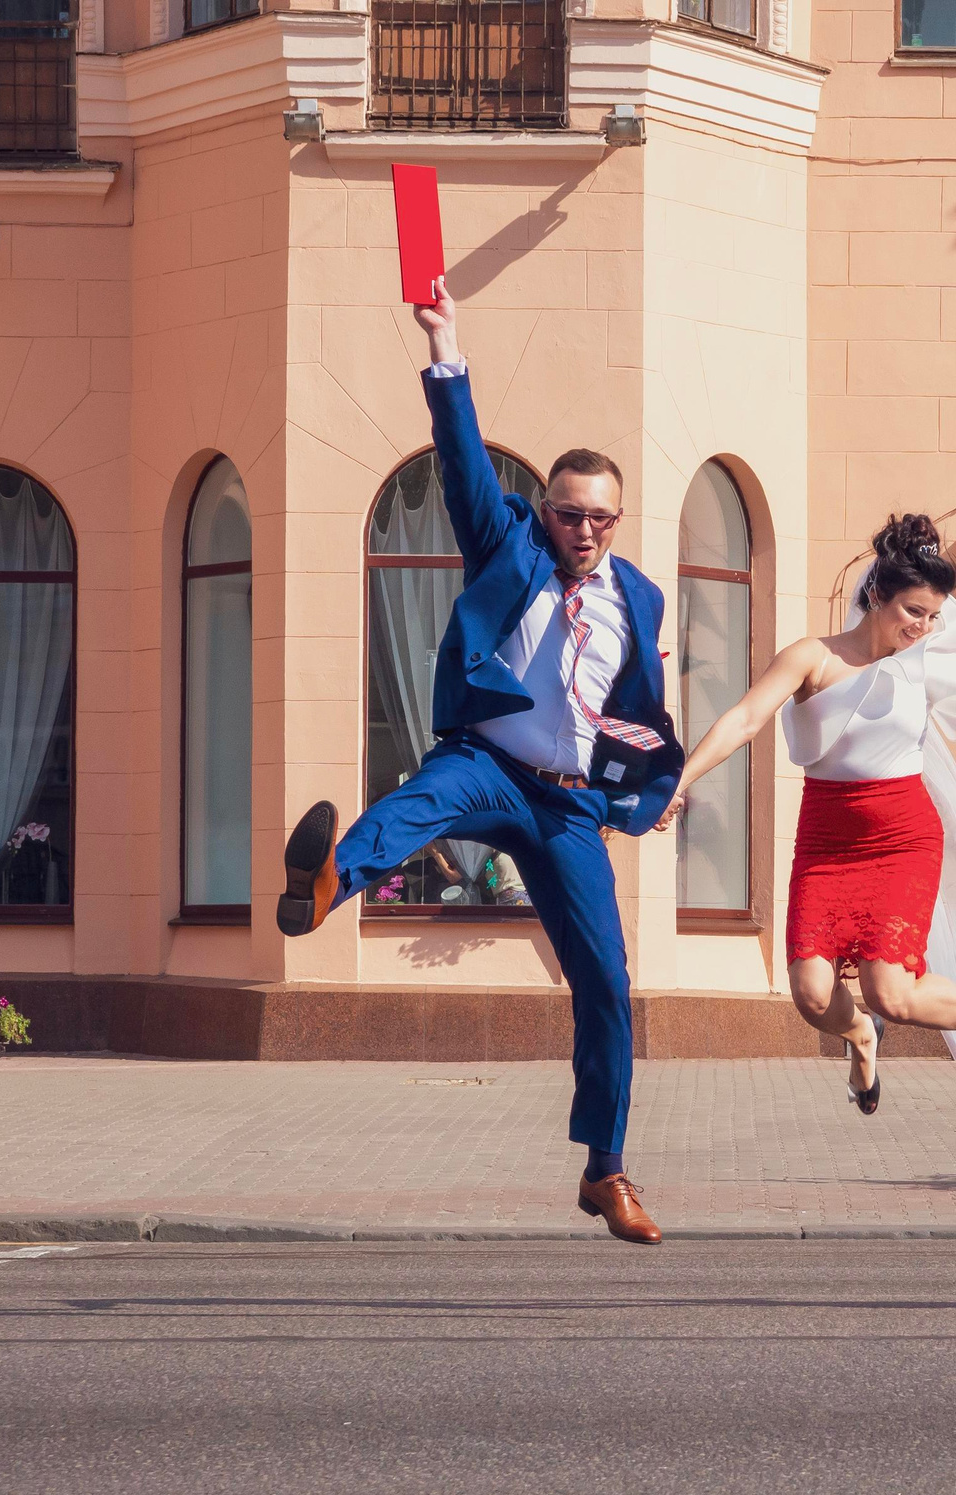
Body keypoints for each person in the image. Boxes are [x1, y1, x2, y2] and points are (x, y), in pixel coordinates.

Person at [275, 279, 682, 1246]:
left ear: (620, 521)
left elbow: (638, 713)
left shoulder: (642, 599)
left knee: (607, 986)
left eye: (601, 518)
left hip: (571, 809)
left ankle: (607, 1170)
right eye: (571, 513)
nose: (585, 531)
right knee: (416, 802)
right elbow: (462, 463)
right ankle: (325, 884)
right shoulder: (511, 546)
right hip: (489, 763)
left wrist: (650, 793)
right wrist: (443, 346)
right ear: (545, 510)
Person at [658, 488, 956, 1111]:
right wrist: (680, 778)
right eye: (913, 612)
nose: (923, 627)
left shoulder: (925, 656)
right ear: (876, 596)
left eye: (932, 616)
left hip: (902, 837)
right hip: (825, 839)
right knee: (813, 996)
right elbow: (744, 719)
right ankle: (860, 1035)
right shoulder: (812, 657)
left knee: (891, 989)